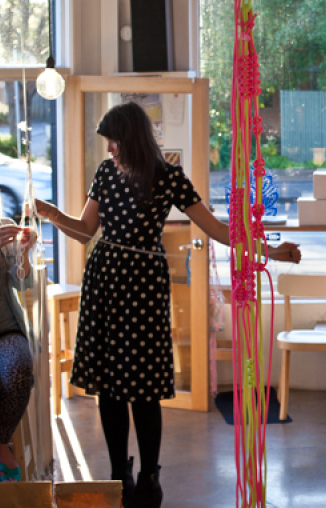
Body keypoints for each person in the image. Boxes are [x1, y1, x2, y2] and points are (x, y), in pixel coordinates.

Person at [35, 102, 300, 508]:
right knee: (109, 385)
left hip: (143, 288)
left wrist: (271, 251)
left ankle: (150, 476)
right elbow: (86, 231)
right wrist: (53, 214)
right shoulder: (105, 173)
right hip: (105, 283)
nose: (109, 149)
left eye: (114, 141)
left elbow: (217, 230)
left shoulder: (168, 176)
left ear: (130, 139)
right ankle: (118, 473)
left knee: (142, 388)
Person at [0, 221, 35, 482]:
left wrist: (24, 252)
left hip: (6, 331)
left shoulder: (3, 227)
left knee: (19, 369)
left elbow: (22, 282)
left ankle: (1, 443)